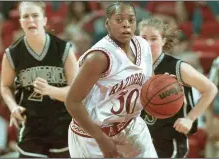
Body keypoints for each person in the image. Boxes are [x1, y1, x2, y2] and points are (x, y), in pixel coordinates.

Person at [65, 2, 158, 158]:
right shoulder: (99, 57)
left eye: (131, 20)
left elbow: (150, 82)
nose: (126, 25)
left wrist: (163, 87)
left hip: (129, 125)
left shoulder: (143, 46)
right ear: (107, 24)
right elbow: (72, 102)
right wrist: (100, 139)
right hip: (91, 135)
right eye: (119, 20)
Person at [0, 2, 78, 158]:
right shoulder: (12, 54)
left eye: (35, 15)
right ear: (21, 22)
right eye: (25, 17)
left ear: (44, 20)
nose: (31, 20)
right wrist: (13, 106)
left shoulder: (63, 50)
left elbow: (76, 93)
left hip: (63, 124)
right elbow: (5, 86)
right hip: (31, 125)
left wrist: (51, 90)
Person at [138, 17, 218, 158]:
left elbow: (210, 89)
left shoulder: (177, 67)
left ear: (163, 41)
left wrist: (190, 118)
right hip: (140, 136)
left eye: (154, 38)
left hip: (169, 140)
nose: (148, 43)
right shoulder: (132, 66)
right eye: (143, 37)